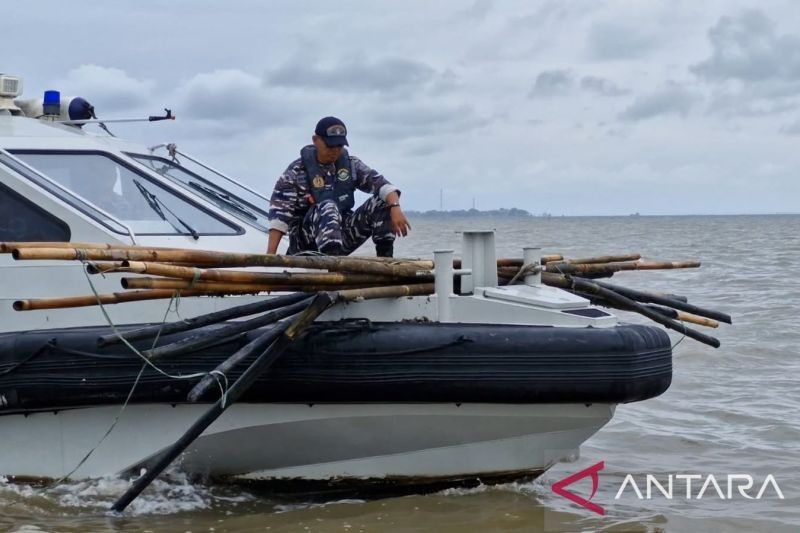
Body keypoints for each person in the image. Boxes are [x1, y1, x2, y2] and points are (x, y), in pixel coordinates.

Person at [267, 116, 410, 257]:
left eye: (339, 146)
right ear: (316, 140)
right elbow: (279, 219)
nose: (335, 150)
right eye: (330, 145)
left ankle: (385, 261)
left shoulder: (351, 165)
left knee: (384, 201)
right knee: (328, 206)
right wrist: (269, 258)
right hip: (305, 242)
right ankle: (331, 268)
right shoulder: (295, 172)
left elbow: (384, 186)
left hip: (342, 237)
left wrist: (395, 206)